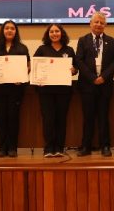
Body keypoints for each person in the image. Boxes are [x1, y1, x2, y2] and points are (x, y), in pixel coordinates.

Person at [75, 12, 114, 157]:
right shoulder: (83, 40)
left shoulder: (112, 41)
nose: (99, 25)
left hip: (105, 85)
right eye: (96, 22)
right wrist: (92, 78)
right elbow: (79, 61)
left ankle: (105, 146)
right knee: (88, 117)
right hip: (87, 85)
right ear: (90, 23)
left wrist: (103, 77)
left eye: (102, 22)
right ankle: (85, 146)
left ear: (105, 25)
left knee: (103, 117)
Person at [33, 24, 77, 158]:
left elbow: (75, 69)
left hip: (64, 91)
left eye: (57, 31)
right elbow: (35, 68)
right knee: (48, 119)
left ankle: (59, 147)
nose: (54, 34)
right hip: (46, 91)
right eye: (51, 31)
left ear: (61, 33)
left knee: (61, 119)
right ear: (48, 34)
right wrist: (37, 78)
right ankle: (48, 148)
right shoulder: (41, 49)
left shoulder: (69, 50)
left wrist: (73, 70)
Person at [0, 20, 30, 158]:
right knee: (1, 118)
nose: (9, 30)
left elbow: (28, 67)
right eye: (7, 28)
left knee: (13, 118)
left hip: (16, 89)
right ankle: (2, 147)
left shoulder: (22, 48)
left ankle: (12, 148)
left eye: (12, 28)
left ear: (16, 31)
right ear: (3, 30)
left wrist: (22, 76)